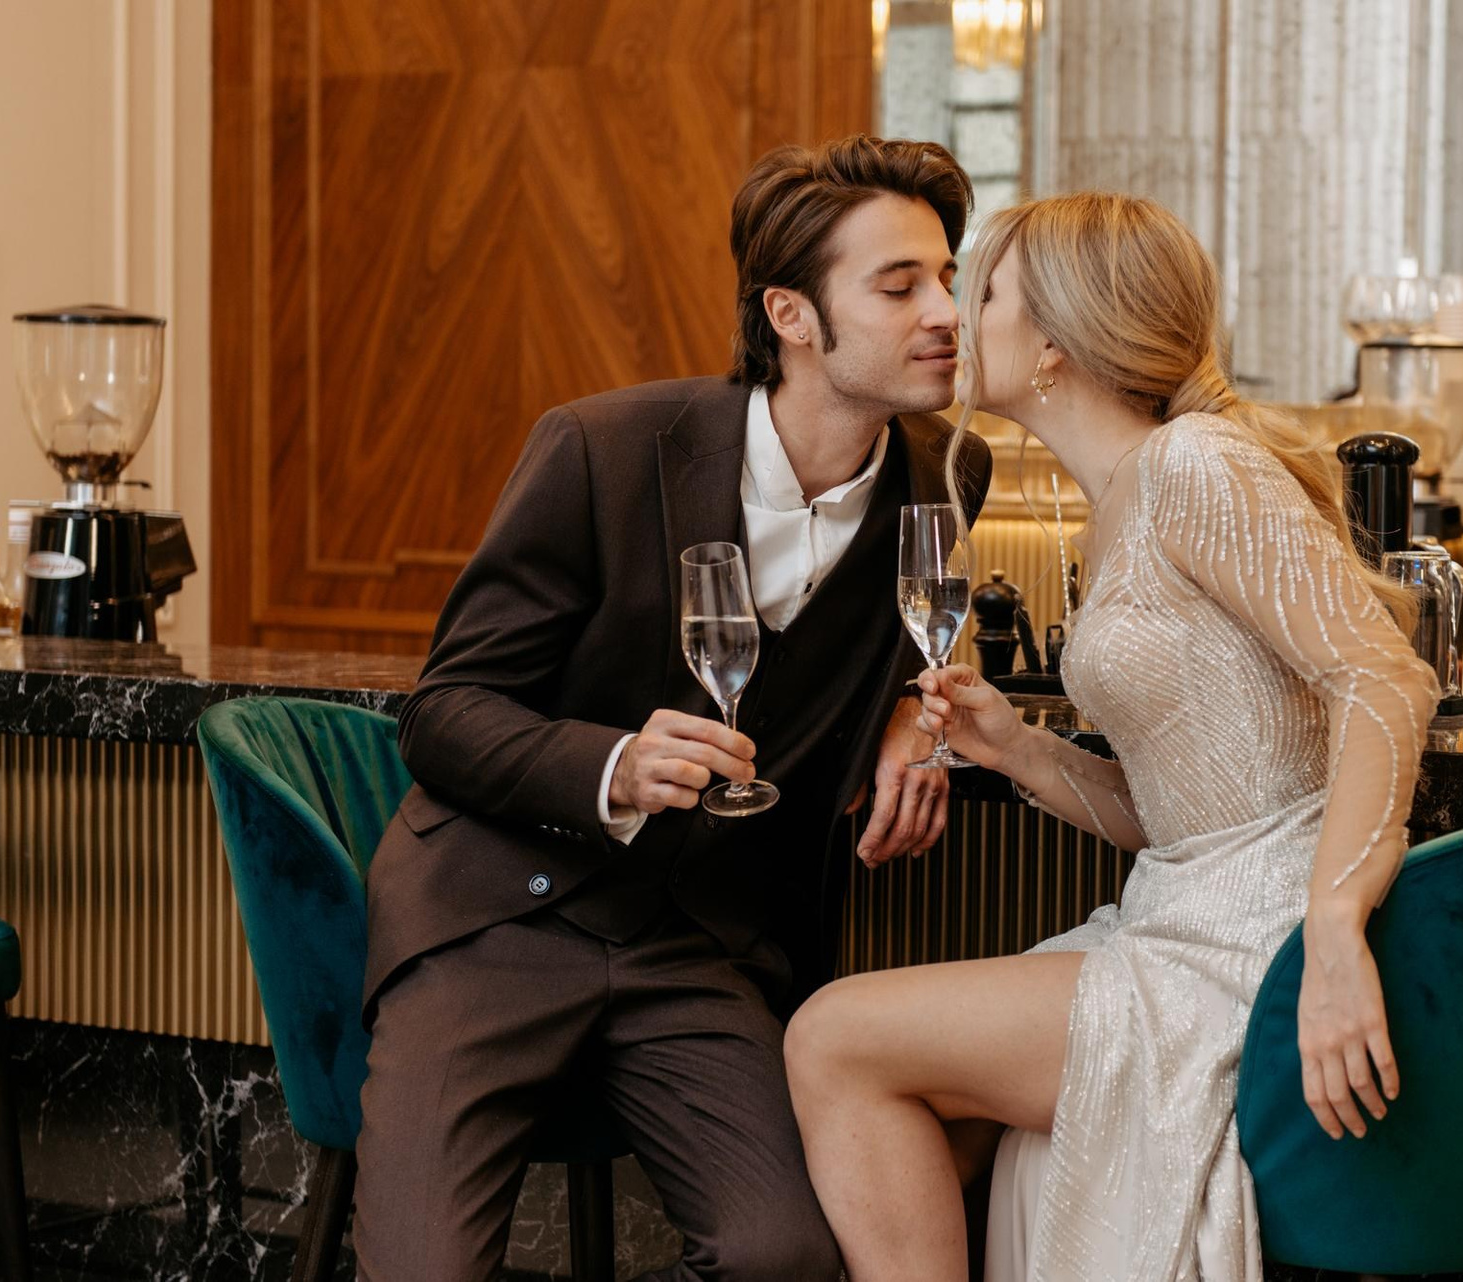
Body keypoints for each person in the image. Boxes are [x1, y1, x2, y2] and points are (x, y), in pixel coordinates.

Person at [352, 134, 993, 1280]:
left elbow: (917, 624)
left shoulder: (948, 471)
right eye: (899, 286)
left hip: (697, 944)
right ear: (792, 316)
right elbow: (444, 710)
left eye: (947, 276)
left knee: (784, 1257)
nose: (946, 311)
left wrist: (918, 712)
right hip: (504, 917)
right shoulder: (599, 448)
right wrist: (612, 766)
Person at [783, 192, 1440, 1281]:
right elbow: (1186, 819)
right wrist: (1019, 750)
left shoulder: (1196, 465)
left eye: (981, 291)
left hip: (1252, 946)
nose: (951, 314)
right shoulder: (1124, 498)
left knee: (831, 1037)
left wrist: (1332, 930)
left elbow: (1384, 677)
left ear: (1053, 341)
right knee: (929, 1118)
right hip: (1179, 914)